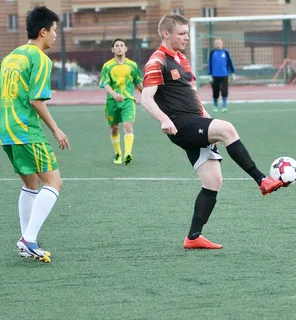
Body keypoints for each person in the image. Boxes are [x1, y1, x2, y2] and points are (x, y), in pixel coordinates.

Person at [141, 13, 284, 250]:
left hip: (195, 122)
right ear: (166, 34)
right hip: (180, 125)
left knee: (213, 181)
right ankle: (261, 179)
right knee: (228, 128)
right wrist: (164, 119)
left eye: (187, 33)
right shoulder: (157, 61)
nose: (186, 37)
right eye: (181, 33)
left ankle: (193, 237)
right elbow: (146, 98)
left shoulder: (182, 59)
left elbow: (192, 96)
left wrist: (208, 123)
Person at [0, 6, 70, 263]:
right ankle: (28, 240)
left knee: (31, 184)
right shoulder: (40, 59)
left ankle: (26, 238)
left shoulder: (11, 56)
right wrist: (56, 129)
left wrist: (3, 119)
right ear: (43, 31)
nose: (56, 35)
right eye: (54, 30)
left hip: (6, 131)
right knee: (54, 183)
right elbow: (36, 100)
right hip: (26, 131)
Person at [99, 38, 143, 165]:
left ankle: (128, 154)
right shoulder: (107, 66)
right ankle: (118, 153)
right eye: (116, 45)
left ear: (125, 48)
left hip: (128, 100)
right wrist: (114, 94)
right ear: (112, 49)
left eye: (121, 45)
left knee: (128, 126)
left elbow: (138, 83)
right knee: (114, 128)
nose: (119, 47)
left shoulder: (132, 65)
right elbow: (105, 84)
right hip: (112, 102)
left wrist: (147, 96)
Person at [208, 38, 236, 113]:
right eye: (216, 43)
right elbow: (209, 64)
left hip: (224, 75)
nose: (218, 45)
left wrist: (233, 73)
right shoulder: (212, 52)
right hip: (215, 76)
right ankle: (215, 106)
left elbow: (230, 63)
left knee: (224, 91)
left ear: (222, 43)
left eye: (219, 43)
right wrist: (209, 74)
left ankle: (224, 106)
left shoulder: (226, 52)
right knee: (215, 91)